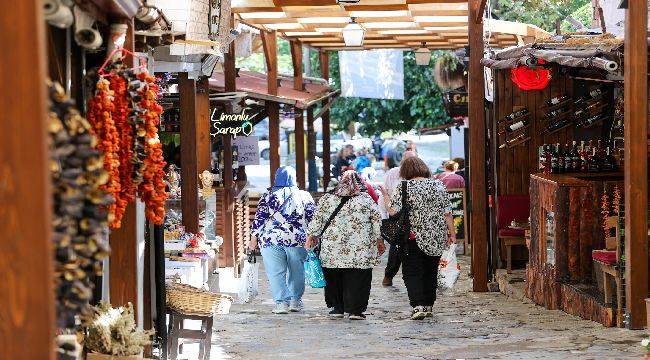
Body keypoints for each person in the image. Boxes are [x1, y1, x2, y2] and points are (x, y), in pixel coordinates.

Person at [380, 157, 456, 320]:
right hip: (436, 236)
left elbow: (393, 212)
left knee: (412, 271)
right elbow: (448, 212)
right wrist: (452, 234)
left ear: (405, 172)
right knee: (430, 270)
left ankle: (418, 305)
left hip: (413, 237)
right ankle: (428, 305)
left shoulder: (404, 186)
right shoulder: (439, 185)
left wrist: (385, 195)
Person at [305, 171, 385, 320]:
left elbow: (317, 221)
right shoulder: (366, 200)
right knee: (358, 278)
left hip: (332, 248)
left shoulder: (327, 199)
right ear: (359, 183)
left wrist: (311, 237)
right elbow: (377, 221)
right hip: (360, 249)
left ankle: (337, 308)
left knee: (334, 277)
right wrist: (379, 240)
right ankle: (355, 310)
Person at [249, 166, 315, 314]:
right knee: (297, 271)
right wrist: (312, 237)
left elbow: (259, 220)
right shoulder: (304, 196)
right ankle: (295, 301)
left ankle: (281, 303)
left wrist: (253, 240)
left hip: (270, 240)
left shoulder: (268, 196)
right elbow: (312, 219)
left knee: (276, 273)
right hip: (297, 240)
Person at [381, 150, 417, 287]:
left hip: (415, 216)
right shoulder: (393, 174)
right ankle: (389, 274)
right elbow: (384, 194)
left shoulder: (421, 175)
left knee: (415, 247)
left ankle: (412, 277)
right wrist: (384, 216)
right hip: (396, 215)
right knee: (396, 247)